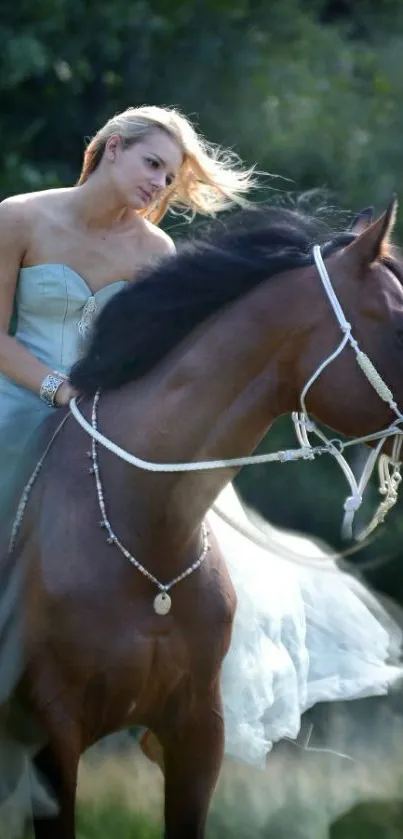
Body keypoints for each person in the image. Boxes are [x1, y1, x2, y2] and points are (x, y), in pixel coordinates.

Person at [0, 105, 402, 833]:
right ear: (112, 148)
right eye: (153, 164)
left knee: (195, 524)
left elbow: (167, 366)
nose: (160, 184)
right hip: (21, 398)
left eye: (172, 175)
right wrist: (58, 391)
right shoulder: (20, 218)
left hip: (104, 421)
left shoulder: (157, 252)